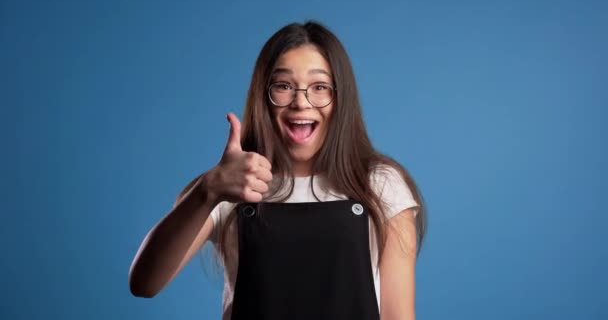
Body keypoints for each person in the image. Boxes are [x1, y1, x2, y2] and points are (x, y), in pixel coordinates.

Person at [129, 21, 427, 320]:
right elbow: (144, 283)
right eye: (283, 86)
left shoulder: (380, 184)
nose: (301, 102)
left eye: (320, 87)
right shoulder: (227, 185)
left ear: (340, 98)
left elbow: (398, 316)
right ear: (263, 96)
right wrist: (206, 192)